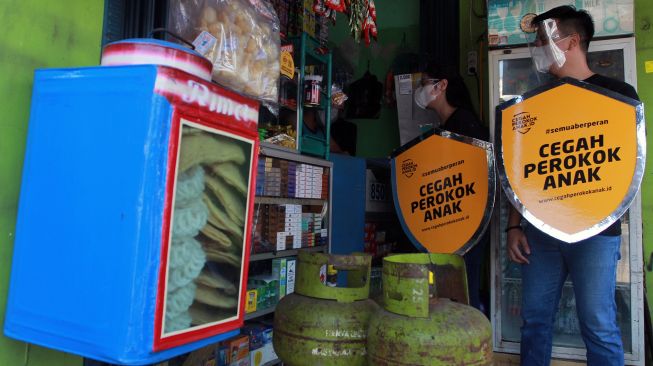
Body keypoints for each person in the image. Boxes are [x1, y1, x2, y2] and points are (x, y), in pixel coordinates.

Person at [506, 6, 638, 365]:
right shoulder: (536, 102)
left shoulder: (619, 95)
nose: (536, 48)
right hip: (541, 232)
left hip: (596, 232)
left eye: (541, 40)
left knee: (598, 324)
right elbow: (522, 173)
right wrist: (514, 225)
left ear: (572, 41)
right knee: (534, 321)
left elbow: (627, 166)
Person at [414, 62, 490, 314]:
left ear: (442, 85)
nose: (420, 89)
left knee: (460, 295)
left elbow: (478, 178)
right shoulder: (447, 126)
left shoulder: (464, 124)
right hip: (450, 225)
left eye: (424, 82)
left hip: (465, 228)